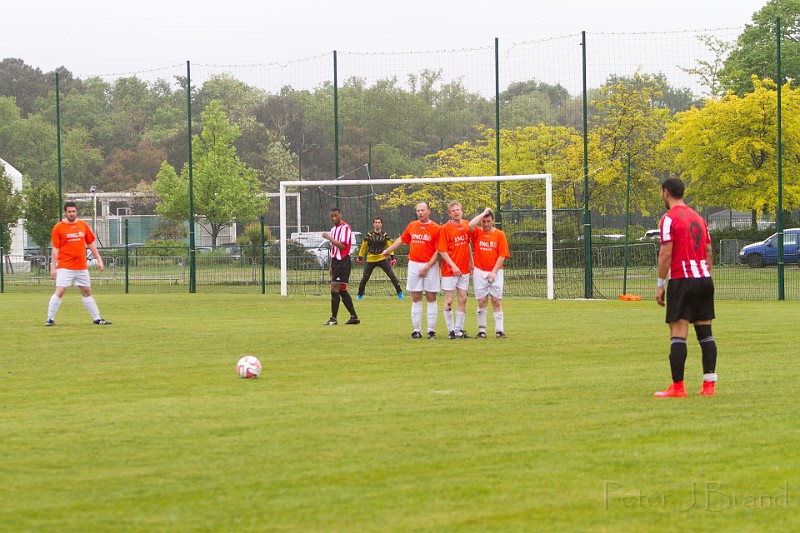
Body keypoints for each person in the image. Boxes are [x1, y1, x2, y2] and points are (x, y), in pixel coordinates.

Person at [654, 178, 718, 398]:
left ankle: (678, 387)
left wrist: (661, 284)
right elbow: (708, 251)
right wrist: (706, 275)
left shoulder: (668, 219)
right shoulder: (699, 218)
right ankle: (709, 386)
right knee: (706, 334)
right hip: (704, 279)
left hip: (682, 279)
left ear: (665, 193)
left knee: (679, 333)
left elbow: (666, 253)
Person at [46, 201, 111, 326]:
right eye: (69, 211)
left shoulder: (83, 225)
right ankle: (50, 319)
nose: (71, 213)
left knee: (87, 292)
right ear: (65, 213)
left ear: (76, 212)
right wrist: (53, 267)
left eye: (73, 211)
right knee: (60, 290)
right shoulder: (58, 228)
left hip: (81, 266)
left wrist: (99, 259)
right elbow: (55, 249)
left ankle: (97, 319)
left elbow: (91, 243)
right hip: (65, 266)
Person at [382, 202, 440, 339]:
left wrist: (427, 267)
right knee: (416, 297)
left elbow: (439, 251)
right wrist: (388, 250)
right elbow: (402, 240)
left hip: (430, 265)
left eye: (423, 210)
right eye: (418, 210)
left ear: (428, 211)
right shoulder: (412, 225)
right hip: (414, 264)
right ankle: (417, 330)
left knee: (431, 297)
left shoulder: (436, 228)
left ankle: (431, 330)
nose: (420, 213)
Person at [468, 208, 510, 338]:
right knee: (482, 301)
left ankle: (499, 330)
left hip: (495, 272)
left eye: (488, 221)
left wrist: (494, 272)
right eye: (483, 221)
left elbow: (502, 255)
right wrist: (483, 213)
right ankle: (482, 330)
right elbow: (470, 225)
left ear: (493, 221)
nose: (485, 224)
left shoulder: (499, 234)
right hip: (480, 271)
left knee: (496, 300)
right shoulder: (477, 233)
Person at [438, 201, 472, 339]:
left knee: (463, 298)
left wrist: (471, 261)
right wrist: (453, 265)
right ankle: (450, 330)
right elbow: (442, 250)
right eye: (453, 211)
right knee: (449, 300)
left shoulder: (466, 225)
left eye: (458, 210)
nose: (456, 212)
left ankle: (459, 330)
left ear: (462, 211)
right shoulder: (445, 228)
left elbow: (468, 245)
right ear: (449, 213)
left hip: (464, 269)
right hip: (449, 271)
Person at [322, 207, 359, 326]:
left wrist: (329, 238)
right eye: (332, 216)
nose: (334, 218)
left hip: (343, 261)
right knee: (342, 290)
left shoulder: (346, 228)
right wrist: (331, 266)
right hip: (336, 262)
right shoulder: (333, 229)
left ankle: (333, 319)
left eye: (336, 216)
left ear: (340, 215)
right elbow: (334, 249)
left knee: (334, 288)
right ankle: (354, 317)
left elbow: (343, 246)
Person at [356, 217, 404, 300]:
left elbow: (390, 246)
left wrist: (393, 258)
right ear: (373, 224)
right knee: (365, 279)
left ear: (381, 224)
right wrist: (360, 257)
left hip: (382, 258)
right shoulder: (369, 235)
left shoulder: (385, 235)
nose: (377, 224)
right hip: (371, 259)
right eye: (375, 222)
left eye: (379, 222)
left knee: (392, 276)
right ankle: (359, 295)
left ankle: (400, 293)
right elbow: (363, 247)